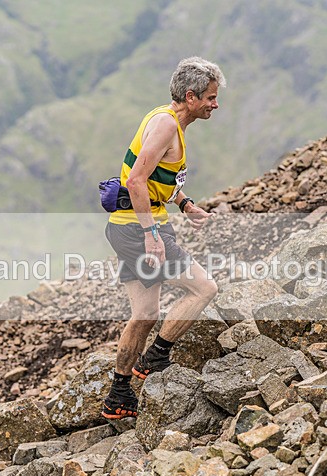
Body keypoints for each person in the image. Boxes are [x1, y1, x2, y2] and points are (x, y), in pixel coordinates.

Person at [101, 57, 225, 420]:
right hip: (139, 229)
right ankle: (155, 358)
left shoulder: (167, 119)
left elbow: (159, 182)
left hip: (126, 226)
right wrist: (152, 234)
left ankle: (118, 396)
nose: (215, 105)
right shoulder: (166, 127)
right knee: (205, 289)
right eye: (210, 98)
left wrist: (185, 204)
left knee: (144, 313)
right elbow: (137, 181)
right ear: (190, 96)